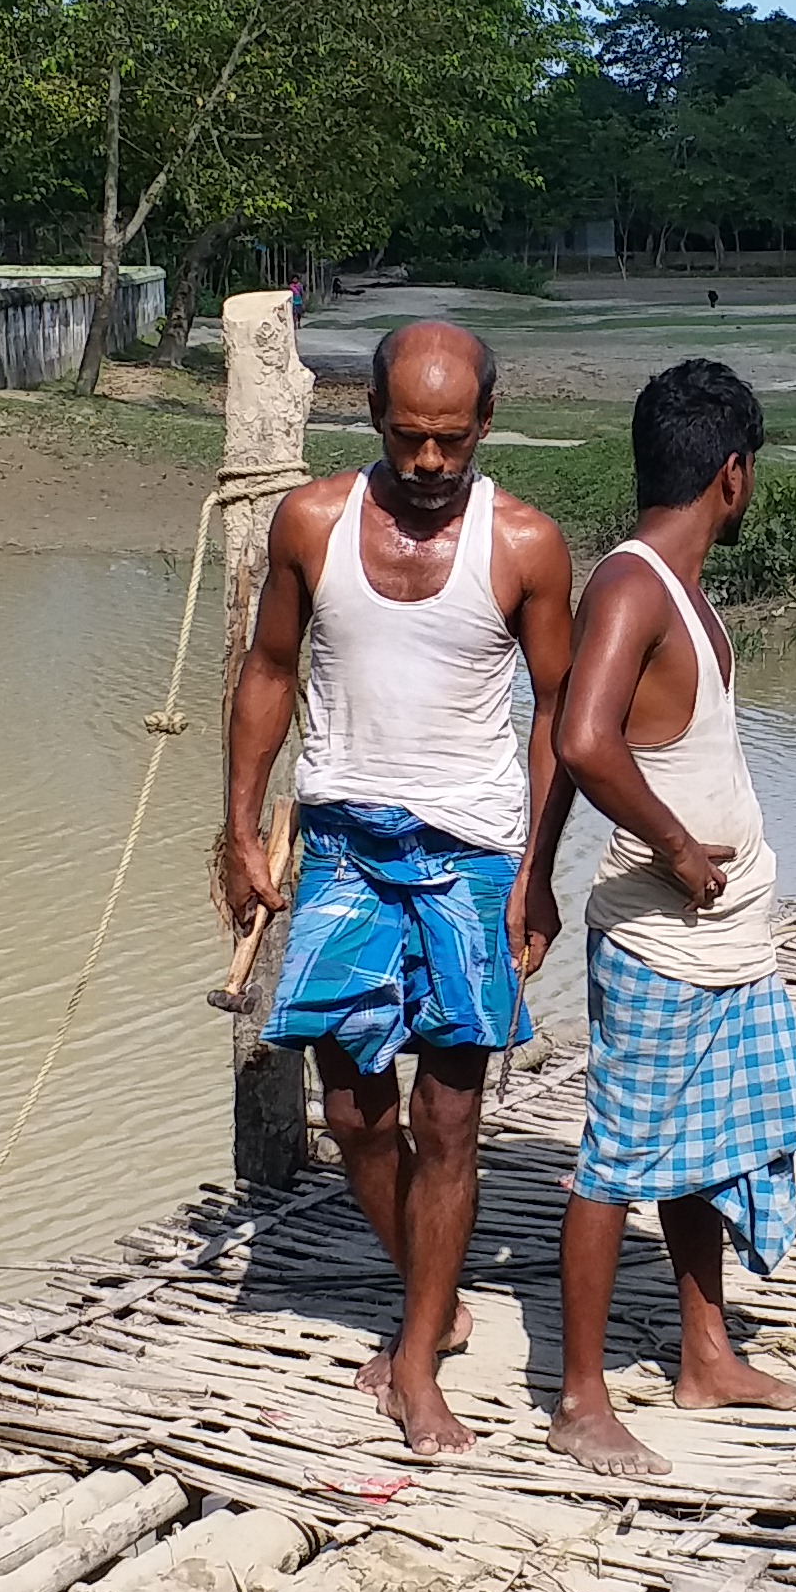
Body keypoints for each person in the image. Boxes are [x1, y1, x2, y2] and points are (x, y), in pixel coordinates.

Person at [221, 320, 576, 1457]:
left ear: (485, 424)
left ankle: (415, 1359)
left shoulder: (525, 543)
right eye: (408, 438)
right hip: (339, 848)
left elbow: (562, 718)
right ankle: (435, 1294)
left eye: (452, 440)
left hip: (470, 859)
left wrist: (538, 870)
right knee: (357, 1114)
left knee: (449, 1115)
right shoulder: (311, 523)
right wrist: (238, 827)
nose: (429, 465)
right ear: (369, 415)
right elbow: (270, 667)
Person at [523, 359, 796, 1479]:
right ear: (735, 476)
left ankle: (707, 1354)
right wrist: (673, 846)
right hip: (662, 934)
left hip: (722, 934)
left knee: (710, 1147)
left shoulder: (679, 591)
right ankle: (579, 1398)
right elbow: (583, 739)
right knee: (618, 1160)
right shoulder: (635, 586)